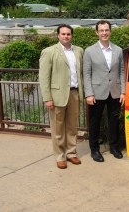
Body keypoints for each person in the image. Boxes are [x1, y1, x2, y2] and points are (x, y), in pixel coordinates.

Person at [39, 24, 84, 169]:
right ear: (58, 35)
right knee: (58, 128)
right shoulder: (49, 52)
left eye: (69, 34)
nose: (66, 36)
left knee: (72, 126)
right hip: (57, 95)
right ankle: (60, 156)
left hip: (74, 93)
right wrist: (47, 98)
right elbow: (44, 77)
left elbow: (81, 73)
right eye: (63, 34)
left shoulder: (79, 51)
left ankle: (71, 153)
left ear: (72, 35)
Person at [83, 20, 125, 162]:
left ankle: (114, 147)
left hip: (115, 91)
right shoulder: (89, 51)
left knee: (114, 121)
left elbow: (121, 72)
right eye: (101, 30)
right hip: (96, 93)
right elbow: (86, 74)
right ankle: (94, 150)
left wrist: (123, 92)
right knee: (95, 123)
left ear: (110, 31)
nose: (104, 33)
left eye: (106, 30)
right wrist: (88, 93)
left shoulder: (118, 50)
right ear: (96, 32)